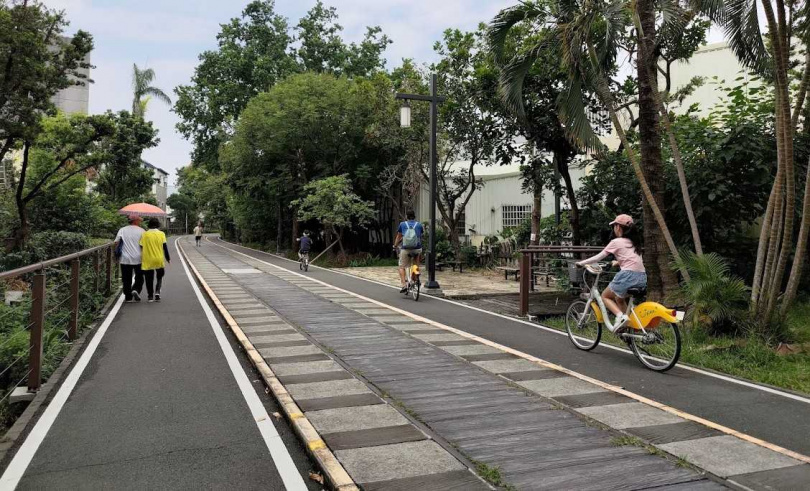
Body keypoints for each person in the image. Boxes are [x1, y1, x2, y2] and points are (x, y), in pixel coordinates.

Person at [576, 214, 646, 331]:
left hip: (627, 276)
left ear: (618, 227)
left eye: (614, 226)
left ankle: (620, 316)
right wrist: (617, 262)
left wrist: (581, 263)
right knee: (619, 299)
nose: (614, 229)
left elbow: (598, 257)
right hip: (642, 277)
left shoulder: (616, 242)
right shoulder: (634, 242)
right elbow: (634, 260)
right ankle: (628, 326)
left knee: (605, 296)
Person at [114, 215, 145, 303]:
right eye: (139, 220)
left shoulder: (122, 230)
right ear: (135, 220)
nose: (140, 221)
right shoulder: (142, 231)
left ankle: (128, 297)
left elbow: (116, 242)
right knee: (139, 277)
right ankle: (136, 289)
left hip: (125, 258)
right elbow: (144, 245)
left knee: (126, 278)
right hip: (138, 258)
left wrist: (116, 255)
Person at [140, 217, 170, 302]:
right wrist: (168, 258)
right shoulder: (161, 234)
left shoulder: (144, 234)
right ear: (158, 225)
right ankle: (157, 292)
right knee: (160, 276)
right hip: (158, 259)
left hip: (148, 259)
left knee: (149, 278)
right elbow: (165, 247)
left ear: (149, 224)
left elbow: (141, 246)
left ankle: (150, 296)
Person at [394, 210, 424, 293]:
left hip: (406, 249)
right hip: (417, 248)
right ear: (414, 216)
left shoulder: (402, 224)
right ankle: (416, 278)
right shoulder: (419, 225)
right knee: (415, 265)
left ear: (406, 216)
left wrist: (395, 245)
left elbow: (399, 236)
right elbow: (420, 236)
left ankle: (404, 285)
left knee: (402, 266)